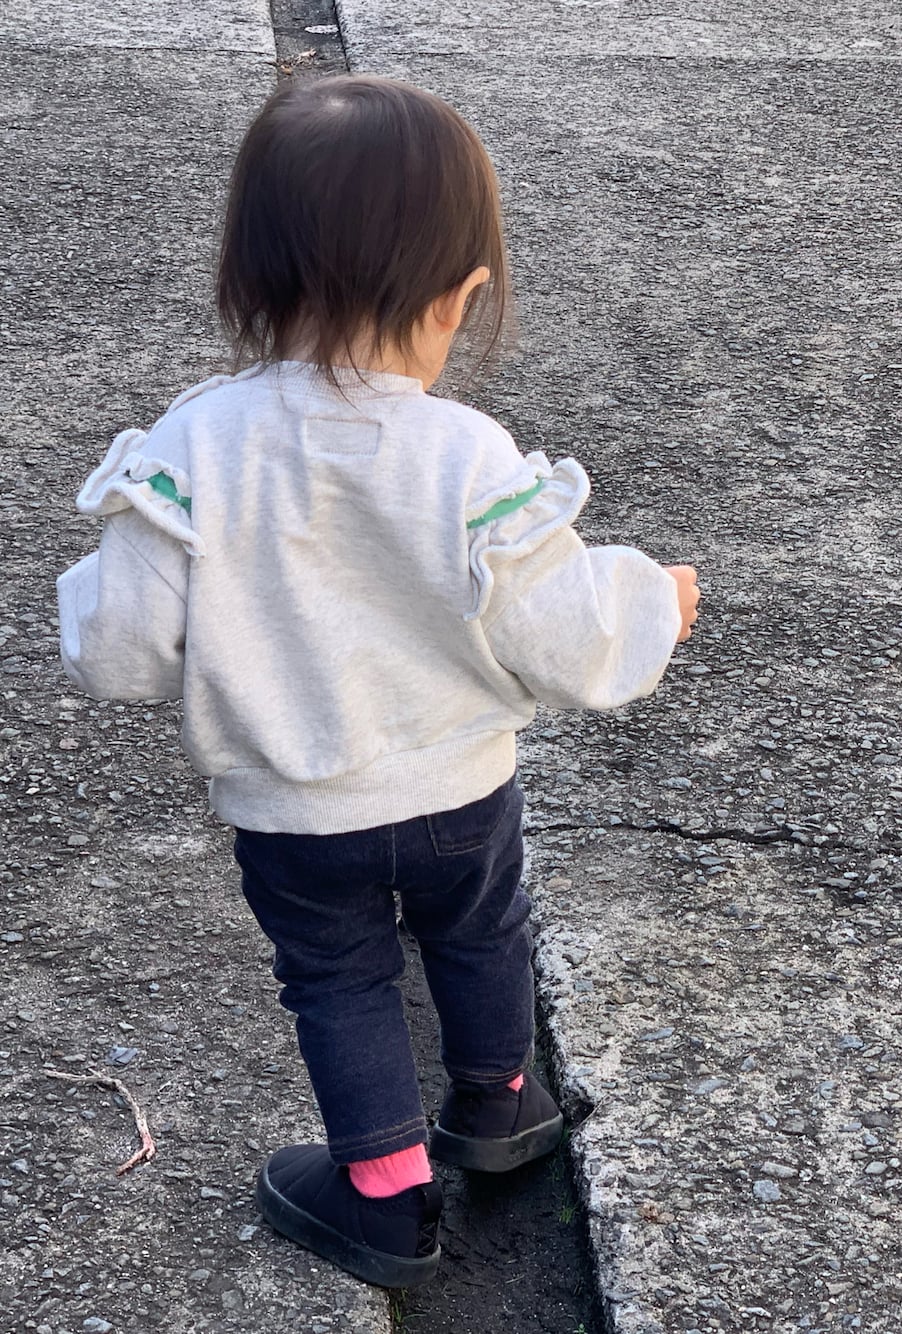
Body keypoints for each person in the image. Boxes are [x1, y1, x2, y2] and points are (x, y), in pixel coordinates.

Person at [56, 74, 701, 1289]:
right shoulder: (467, 454)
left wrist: (96, 594)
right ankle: (498, 1098)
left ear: (246, 278)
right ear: (463, 295)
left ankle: (386, 1194)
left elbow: (120, 649)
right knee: (482, 928)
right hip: (461, 792)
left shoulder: (193, 446)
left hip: (295, 811)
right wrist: (653, 598)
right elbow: (566, 633)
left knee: (338, 975)